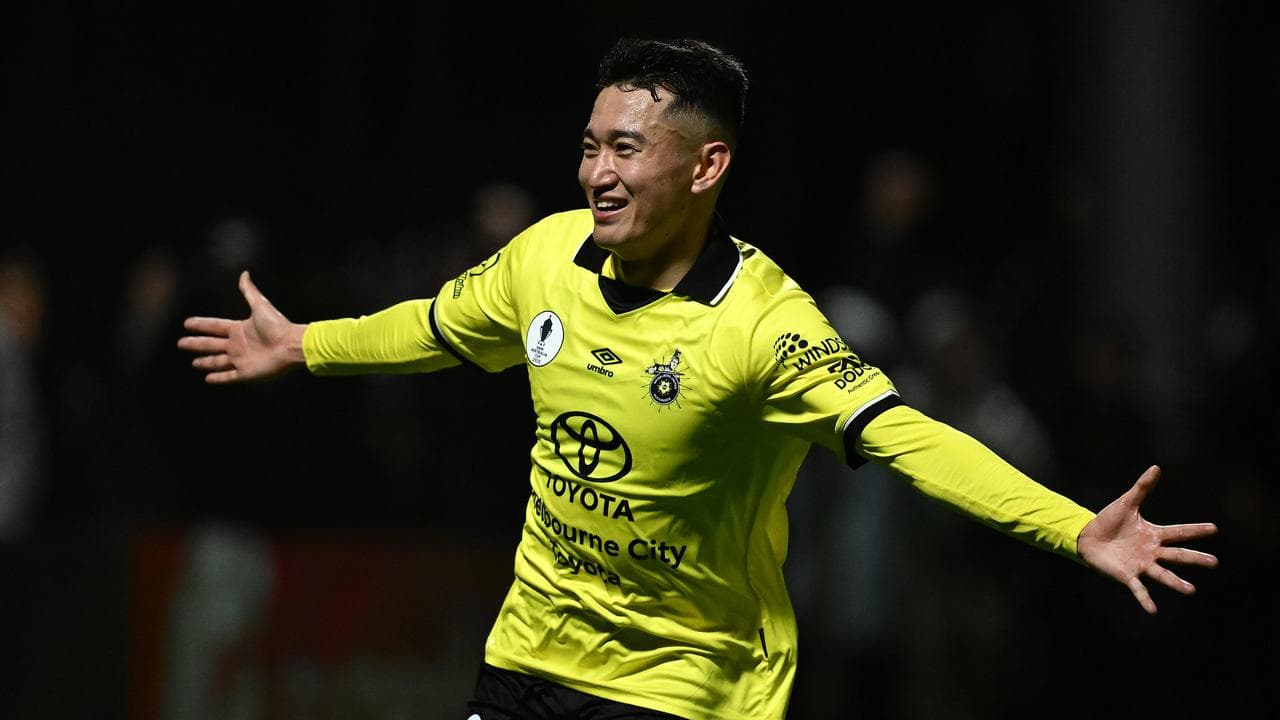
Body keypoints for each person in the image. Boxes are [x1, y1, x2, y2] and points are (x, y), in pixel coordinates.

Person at [178, 37, 1218, 720]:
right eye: (589, 146)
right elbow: (440, 327)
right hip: (533, 657)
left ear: (705, 167)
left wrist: (1067, 524)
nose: (597, 172)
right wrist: (305, 343)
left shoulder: (762, 329)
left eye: (625, 149)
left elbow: (907, 435)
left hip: (690, 686)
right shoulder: (545, 257)